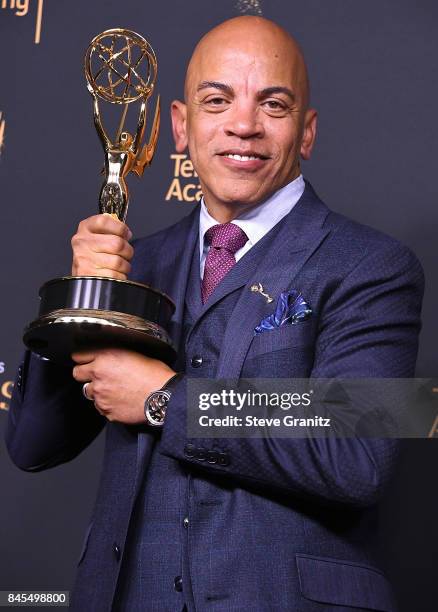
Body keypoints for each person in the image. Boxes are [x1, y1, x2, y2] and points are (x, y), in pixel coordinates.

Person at [6, 16, 423, 612]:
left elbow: (358, 456)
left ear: (306, 133)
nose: (243, 125)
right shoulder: (136, 263)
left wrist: (165, 399)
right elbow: (32, 445)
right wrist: (79, 295)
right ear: (181, 125)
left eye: (272, 105)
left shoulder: (376, 265)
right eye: (217, 100)